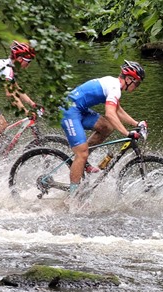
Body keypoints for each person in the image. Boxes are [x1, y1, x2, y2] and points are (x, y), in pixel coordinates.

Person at [61, 60, 148, 194]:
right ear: (129, 79)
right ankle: (73, 195)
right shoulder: (114, 88)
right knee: (82, 152)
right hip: (69, 111)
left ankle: (83, 162)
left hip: (79, 109)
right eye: (137, 82)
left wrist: (137, 124)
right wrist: (127, 133)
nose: (137, 86)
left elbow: (118, 111)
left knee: (106, 127)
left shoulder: (114, 85)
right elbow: (110, 113)